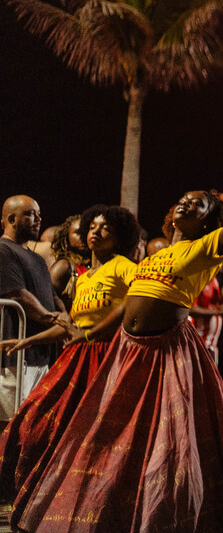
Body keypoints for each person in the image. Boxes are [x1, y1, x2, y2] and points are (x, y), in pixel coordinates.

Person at [15, 151, 223, 533]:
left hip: (168, 353)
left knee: (172, 447)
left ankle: (169, 520)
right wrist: (88, 333)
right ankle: (107, 514)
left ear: (208, 219)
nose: (186, 204)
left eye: (198, 204)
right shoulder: (156, 254)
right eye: (184, 200)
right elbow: (127, 306)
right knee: (109, 436)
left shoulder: (207, 247)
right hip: (128, 351)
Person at [0, 205, 139, 517]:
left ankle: (102, 505)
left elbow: (138, 297)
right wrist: (28, 340)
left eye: (106, 228)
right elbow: (74, 327)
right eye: (93, 226)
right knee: (36, 422)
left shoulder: (122, 266)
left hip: (108, 359)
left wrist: (97, 333)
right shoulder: (87, 277)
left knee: (100, 436)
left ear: (119, 238)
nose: (95, 232)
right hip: (80, 358)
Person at [0, 196, 71, 422]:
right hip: (15, 357)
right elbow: (18, 294)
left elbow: (53, 297)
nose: (38, 219)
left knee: (32, 425)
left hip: (40, 356)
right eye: (31, 214)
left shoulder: (37, 259)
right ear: (12, 219)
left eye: (38, 214)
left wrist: (64, 318)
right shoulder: (3, 251)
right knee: (10, 423)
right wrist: (52, 320)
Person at [47, 214, 91, 307]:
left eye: (86, 232)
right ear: (67, 237)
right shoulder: (64, 265)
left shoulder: (92, 265)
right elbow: (48, 297)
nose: (83, 236)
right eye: (78, 232)